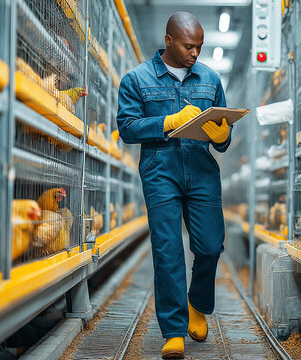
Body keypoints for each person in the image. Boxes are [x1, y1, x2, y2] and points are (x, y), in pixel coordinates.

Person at [116, 11, 232, 359]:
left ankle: (197, 301)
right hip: (160, 171)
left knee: (210, 246)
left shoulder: (210, 80)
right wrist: (167, 121)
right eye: (188, 46)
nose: (195, 53)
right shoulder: (136, 79)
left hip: (201, 170)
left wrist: (223, 135)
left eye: (199, 47)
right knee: (167, 252)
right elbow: (127, 127)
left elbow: (223, 133)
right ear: (168, 41)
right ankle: (174, 330)